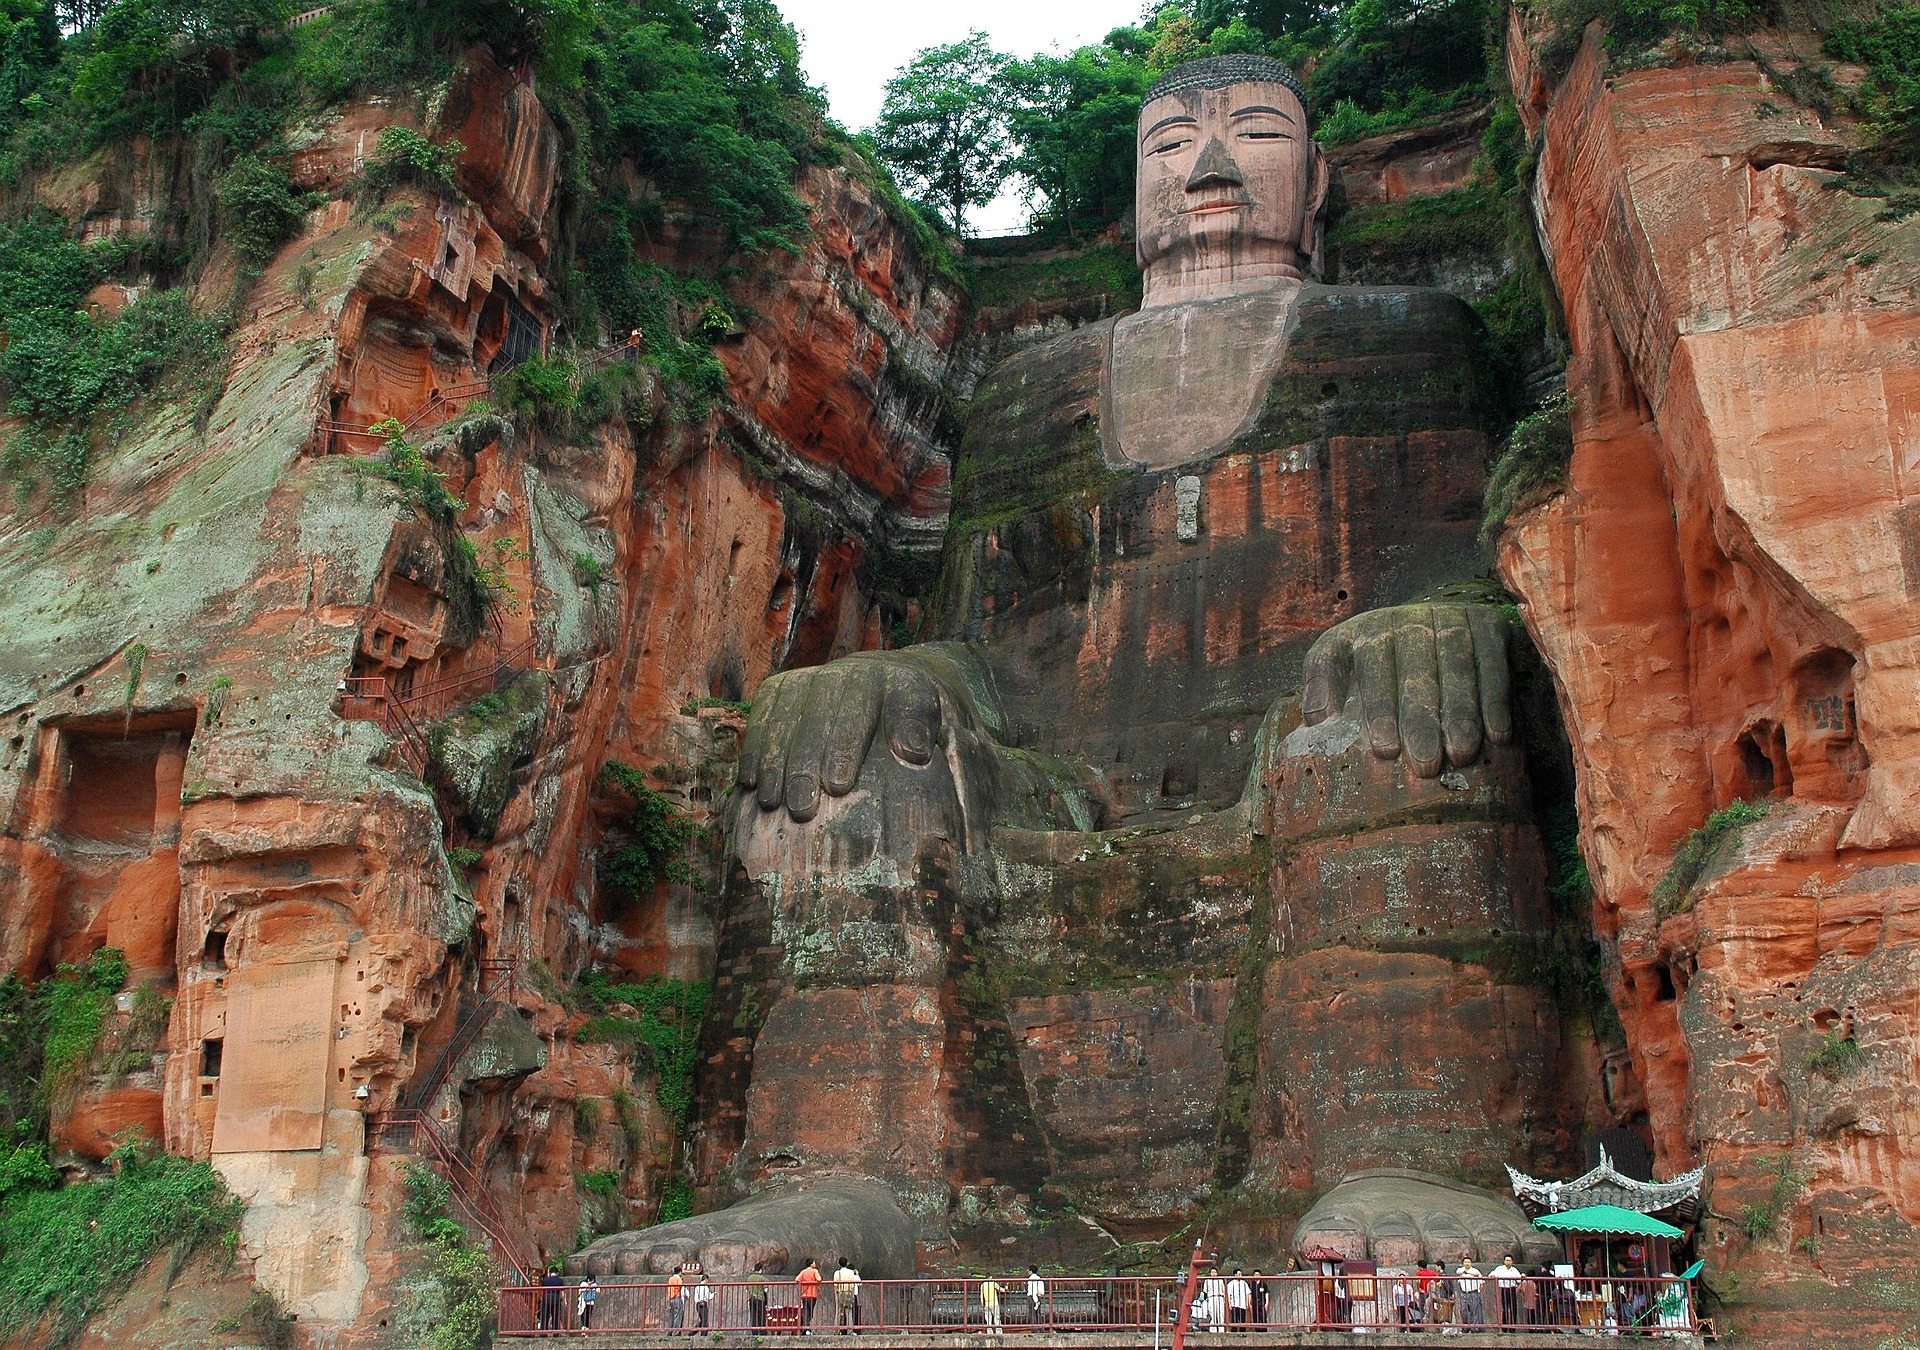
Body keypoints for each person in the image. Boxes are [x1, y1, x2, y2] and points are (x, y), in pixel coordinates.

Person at [1492, 1255, 1522, 1326]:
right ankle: (1504, 1326)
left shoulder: (1514, 1270)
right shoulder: (1499, 1269)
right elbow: (1492, 1274)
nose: (1508, 1262)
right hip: (1504, 1289)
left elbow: (1519, 1280)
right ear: (1504, 1261)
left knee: (1513, 1308)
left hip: (1512, 1289)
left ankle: (1513, 1326)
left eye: (1509, 1260)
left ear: (1512, 1261)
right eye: (1507, 1260)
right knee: (1504, 1308)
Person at [834, 1257, 861, 1332]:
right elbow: (852, 1285)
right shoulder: (850, 1272)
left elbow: (835, 1285)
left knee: (838, 1312)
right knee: (849, 1312)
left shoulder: (837, 1273)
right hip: (848, 1292)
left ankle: (836, 1329)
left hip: (840, 1292)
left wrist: (836, 1295)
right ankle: (850, 1330)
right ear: (846, 1263)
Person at [1455, 1262, 1485, 1328]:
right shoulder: (1460, 1270)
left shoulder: (1475, 1270)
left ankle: (1475, 1327)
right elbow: (1458, 1273)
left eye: (1468, 1262)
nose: (1467, 1263)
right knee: (1463, 1310)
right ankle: (1466, 1326)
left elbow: (1481, 1281)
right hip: (1464, 1293)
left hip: (1473, 1292)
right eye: (1465, 1262)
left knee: (1474, 1310)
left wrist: (1479, 1292)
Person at [797, 1258, 821, 1331]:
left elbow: (797, 1279)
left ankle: (805, 1327)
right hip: (812, 1294)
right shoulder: (815, 1271)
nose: (815, 1263)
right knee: (810, 1312)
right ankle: (808, 1328)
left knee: (805, 1311)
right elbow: (819, 1279)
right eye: (814, 1262)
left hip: (804, 1295)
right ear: (811, 1264)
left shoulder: (803, 1272)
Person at [539, 1266, 566, 1331]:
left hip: (546, 1298)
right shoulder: (560, 1280)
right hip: (556, 1298)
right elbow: (562, 1292)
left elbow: (541, 1290)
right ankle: (555, 1333)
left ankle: (543, 1333)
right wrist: (565, 1300)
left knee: (545, 1316)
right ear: (557, 1273)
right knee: (555, 1316)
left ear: (550, 1272)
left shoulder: (545, 1280)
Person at [1203, 1267, 1227, 1333]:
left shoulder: (1220, 1280)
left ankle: (1221, 1329)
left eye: (1215, 1272)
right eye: (1212, 1272)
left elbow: (1224, 1290)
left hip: (1220, 1297)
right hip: (1211, 1297)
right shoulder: (1207, 1281)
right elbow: (1205, 1291)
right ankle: (1213, 1329)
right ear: (1210, 1273)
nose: (1213, 1274)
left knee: (1220, 1313)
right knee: (1212, 1313)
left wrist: (1225, 1300)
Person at [748, 1261, 770, 1329]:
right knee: (761, 1314)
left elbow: (747, 1290)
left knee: (753, 1315)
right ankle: (762, 1330)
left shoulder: (749, 1278)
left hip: (751, 1298)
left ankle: (754, 1330)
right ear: (760, 1270)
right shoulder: (762, 1278)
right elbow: (766, 1290)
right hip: (760, 1298)